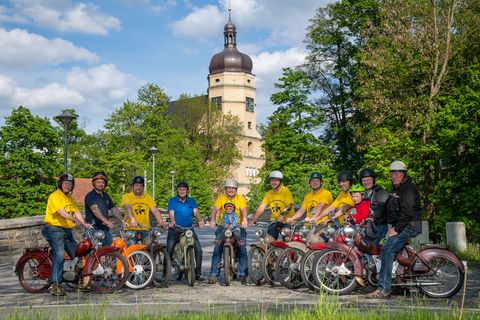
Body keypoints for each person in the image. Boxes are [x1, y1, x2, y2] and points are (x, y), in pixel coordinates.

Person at [366, 160, 422, 299]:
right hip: (403, 225)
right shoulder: (396, 189)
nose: (395, 175)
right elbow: (385, 207)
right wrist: (372, 217)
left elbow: (407, 211)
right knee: (393, 251)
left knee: (387, 250)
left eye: (398, 173)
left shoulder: (408, 188)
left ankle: (384, 289)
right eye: (393, 173)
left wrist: (396, 229)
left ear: (404, 174)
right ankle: (399, 283)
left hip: (409, 225)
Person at [42, 173, 92, 296]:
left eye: (70, 184)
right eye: (65, 183)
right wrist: (73, 219)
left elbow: (77, 211)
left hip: (66, 230)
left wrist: (85, 223)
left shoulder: (70, 198)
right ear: (60, 184)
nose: (67, 186)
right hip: (54, 228)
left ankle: (78, 283)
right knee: (59, 255)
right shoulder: (54, 196)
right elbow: (61, 211)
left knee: (77, 253)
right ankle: (55, 285)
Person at [208, 179, 248, 284]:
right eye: (229, 188)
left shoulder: (240, 199)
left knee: (242, 247)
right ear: (226, 189)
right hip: (223, 226)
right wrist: (212, 220)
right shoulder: (221, 198)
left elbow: (244, 210)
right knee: (217, 247)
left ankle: (244, 273)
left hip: (237, 226)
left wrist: (244, 219)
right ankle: (213, 273)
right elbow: (215, 209)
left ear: (236, 189)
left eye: (233, 188)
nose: (231, 190)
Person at [167, 181, 205, 281]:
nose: (182, 191)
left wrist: (200, 220)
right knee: (169, 250)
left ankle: (197, 274)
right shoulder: (172, 200)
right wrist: (173, 221)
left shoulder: (191, 200)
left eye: (184, 189)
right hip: (176, 229)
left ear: (187, 190)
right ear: (177, 190)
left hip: (189, 229)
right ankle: (164, 274)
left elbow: (196, 211)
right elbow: (171, 213)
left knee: (198, 250)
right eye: (180, 189)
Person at [121, 176, 167, 245]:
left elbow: (155, 210)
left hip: (145, 228)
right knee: (132, 248)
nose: (138, 188)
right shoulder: (127, 196)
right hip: (131, 228)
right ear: (132, 186)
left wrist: (161, 222)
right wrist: (132, 219)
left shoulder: (148, 197)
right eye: (136, 185)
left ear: (143, 187)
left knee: (150, 246)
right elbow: (128, 207)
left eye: (141, 186)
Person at [250, 170, 295, 240]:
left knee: (287, 239)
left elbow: (289, 206)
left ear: (280, 182)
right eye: (272, 180)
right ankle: (272, 250)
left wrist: (282, 214)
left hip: (287, 220)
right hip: (275, 220)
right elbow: (262, 206)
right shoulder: (269, 194)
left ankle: (289, 250)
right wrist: (254, 219)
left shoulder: (285, 191)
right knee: (268, 240)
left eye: (276, 180)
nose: (274, 182)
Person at [85, 171, 125, 246]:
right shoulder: (90, 196)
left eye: (103, 182)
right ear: (94, 183)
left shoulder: (106, 195)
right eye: (98, 182)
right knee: (95, 254)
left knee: (110, 252)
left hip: (106, 229)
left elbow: (113, 209)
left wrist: (122, 220)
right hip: (94, 229)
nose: (101, 184)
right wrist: (106, 221)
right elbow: (95, 210)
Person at [359, 168, 389, 244]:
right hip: (368, 226)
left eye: (368, 179)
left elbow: (380, 207)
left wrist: (372, 217)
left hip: (379, 226)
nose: (366, 182)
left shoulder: (380, 192)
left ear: (373, 180)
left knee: (367, 248)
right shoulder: (364, 194)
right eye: (364, 180)